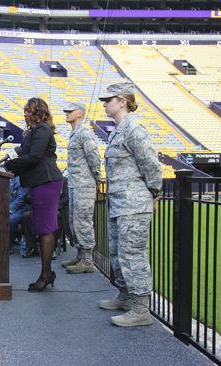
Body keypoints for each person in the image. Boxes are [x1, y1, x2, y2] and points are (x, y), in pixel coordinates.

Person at [96, 81, 162, 327]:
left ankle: (140, 309)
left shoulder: (134, 129)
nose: (105, 104)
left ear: (123, 101)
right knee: (117, 253)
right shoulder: (118, 131)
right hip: (120, 204)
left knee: (132, 255)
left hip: (134, 204)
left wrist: (154, 193)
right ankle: (125, 296)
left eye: (109, 99)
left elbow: (151, 165)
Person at [4, 97, 64, 292]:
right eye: (25, 111)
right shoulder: (34, 131)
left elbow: (35, 156)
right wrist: (7, 157)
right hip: (40, 182)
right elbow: (24, 150)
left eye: (29, 111)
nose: (26, 114)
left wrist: (12, 165)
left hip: (46, 181)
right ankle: (47, 273)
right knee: (41, 228)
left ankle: (46, 275)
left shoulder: (43, 130)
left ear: (39, 112)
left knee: (45, 229)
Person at [61, 102, 101, 274]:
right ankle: (79, 255)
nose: (66, 113)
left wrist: (97, 178)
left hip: (84, 184)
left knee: (83, 221)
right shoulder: (75, 132)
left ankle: (87, 260)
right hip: (76, 183)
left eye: (70, 111)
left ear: (79, 114)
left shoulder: (84, 132)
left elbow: (93, 156)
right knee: (74, 220)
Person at [8, 175, 29, 254]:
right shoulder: (5, 176)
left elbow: (21, 198)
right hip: (6, 206)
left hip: (20, 208)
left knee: (11, 219)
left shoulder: (21, 179)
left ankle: (9, 244)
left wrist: (9, 210)